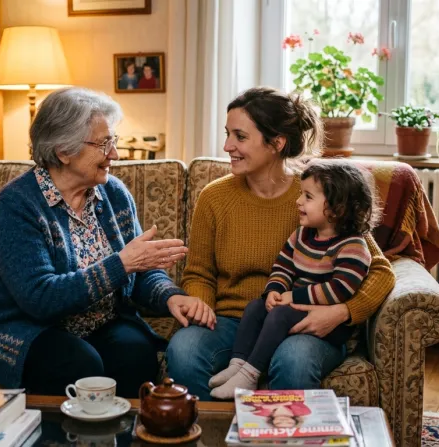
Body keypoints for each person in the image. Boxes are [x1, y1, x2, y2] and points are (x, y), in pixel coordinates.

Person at [0, 87, 214, 398]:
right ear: (63, 151)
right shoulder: (18, 204)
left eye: (113, 141)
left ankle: (122, 428)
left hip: (101, 322)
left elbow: (140, 270)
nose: (114, 154)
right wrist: (121, 264)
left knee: (136, 354)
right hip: (30, 328)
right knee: (78, 363)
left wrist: (169, 296)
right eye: (104, 144)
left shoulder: (113, 193)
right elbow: (40, 298)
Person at [166, 86, 396, 401]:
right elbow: (199, 273)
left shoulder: (318, 196)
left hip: (303, 320)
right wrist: (201, 307)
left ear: (277, 143)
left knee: (294, 361)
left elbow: (380, 270)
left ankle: (282, 429)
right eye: (227, 134)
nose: (227, 146)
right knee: (183, 349)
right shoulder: (214, 197)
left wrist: (342, 312)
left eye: (240, 136)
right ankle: (212, 429)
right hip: (233, 321)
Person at [208, 159, 376, 399]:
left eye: (308, 196)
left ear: (336, 208)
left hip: (331, 328)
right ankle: (237, 365)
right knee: (256, 307)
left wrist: (293, 297)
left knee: (281, 314)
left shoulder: (354, 246)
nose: (298, 201)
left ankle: (249, 375)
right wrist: (275, 290)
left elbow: (339, 290)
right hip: (296, 309)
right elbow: (283, 266)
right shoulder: (302, 235)